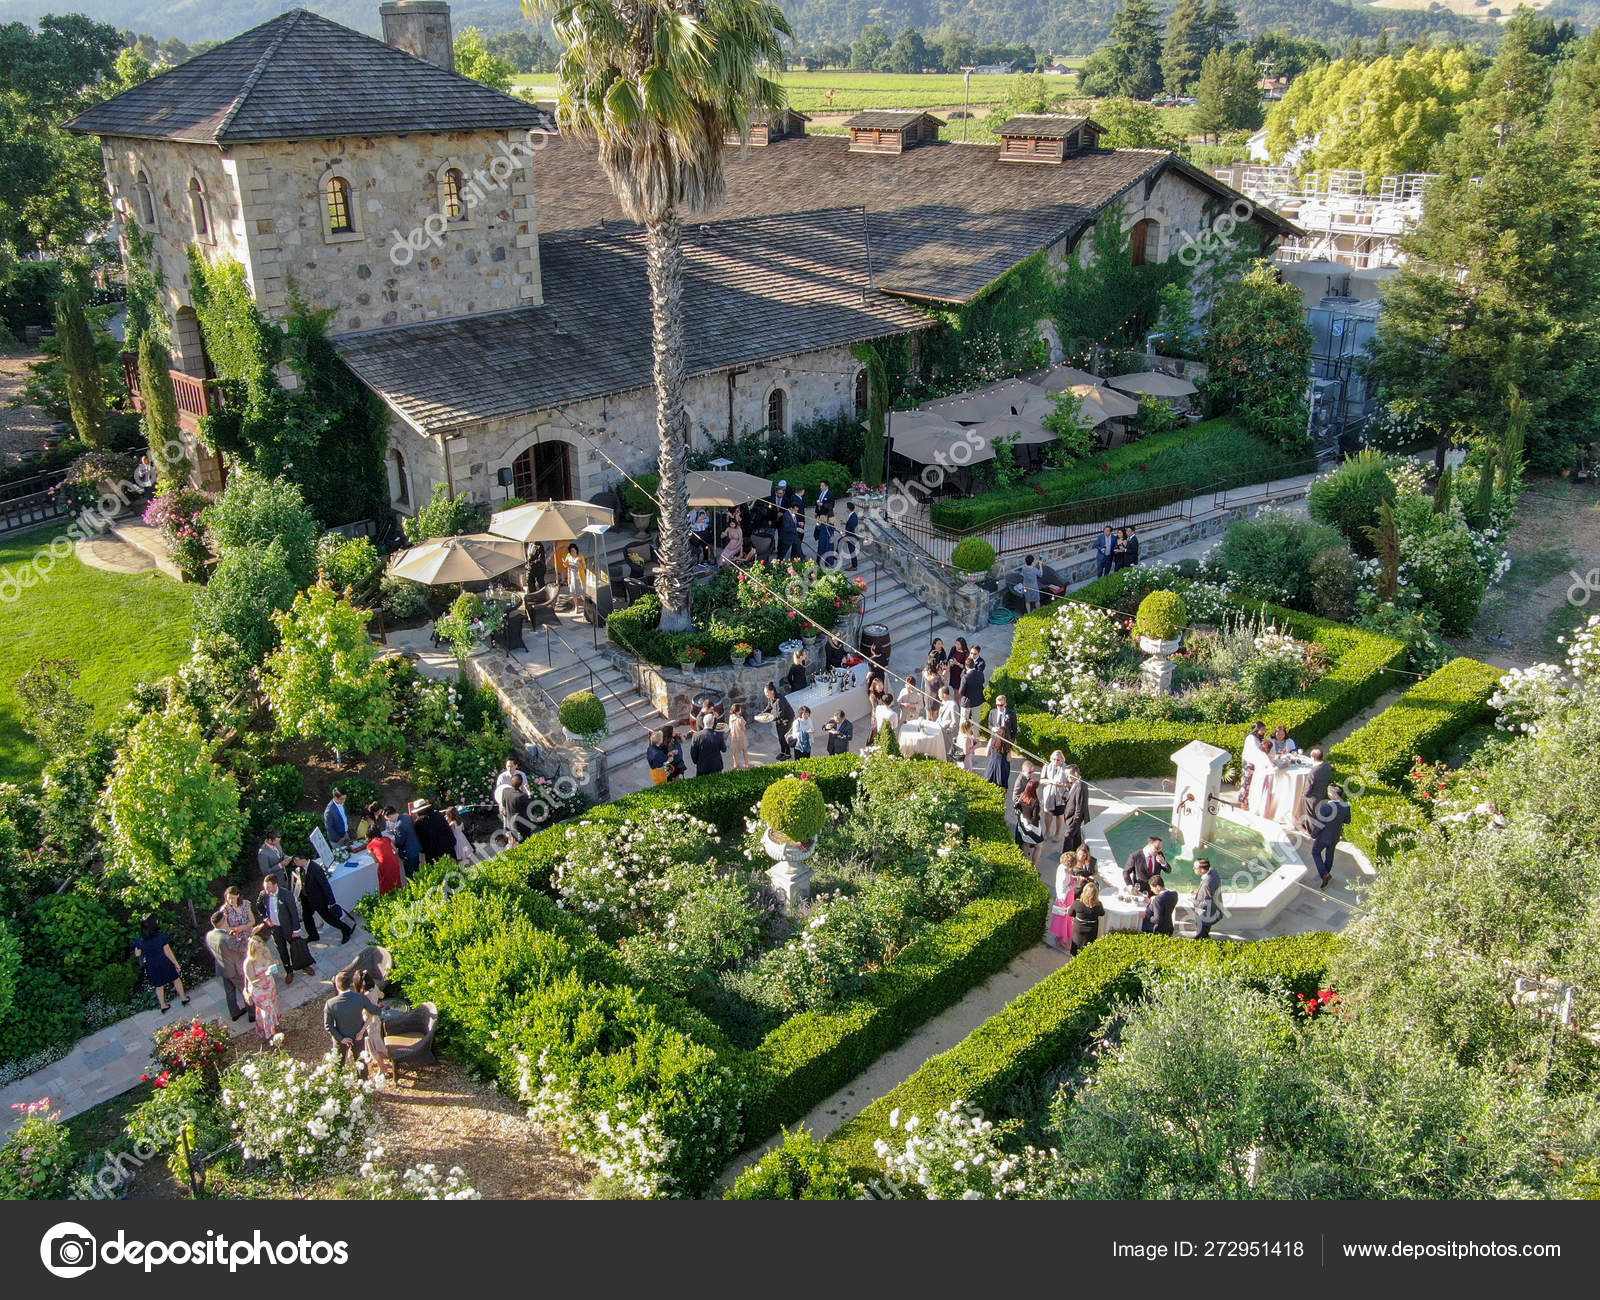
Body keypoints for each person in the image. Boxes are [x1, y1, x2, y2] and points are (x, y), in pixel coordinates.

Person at [256, 872, 310, 981]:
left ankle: (304, 965)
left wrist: (296, 930)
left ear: (275, 885)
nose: (266, 890)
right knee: (282, 950)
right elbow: (259, 907)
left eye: (268, 887)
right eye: (265, 887)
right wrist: (266, 919)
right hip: (275, 929)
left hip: (289, 927)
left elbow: (293, 913)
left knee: (296, 947)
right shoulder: (264, 895)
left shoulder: (286, 894)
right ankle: (288, 971)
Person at [324, 970, 383, 1068]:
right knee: (361, 1065)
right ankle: (363, 1081)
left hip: (340, 1037)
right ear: (350, 984)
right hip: (358, 1036)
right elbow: (376, 1011)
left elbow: (328, 1026)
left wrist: (342, 1039)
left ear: (337, 986)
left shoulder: (330, 1003)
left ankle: (338, 1081)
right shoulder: (360, 998)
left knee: (338, 1064)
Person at [294, 853, 355, 944]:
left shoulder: (316, 869)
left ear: (304, 859)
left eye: (296, 860)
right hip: (307, 898)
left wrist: (331, 901)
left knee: (329, 918)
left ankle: (346, 929)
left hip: (318, 899)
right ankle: (313, 935)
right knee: (307, 917)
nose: (295, 862)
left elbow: (325, 885)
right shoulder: (302, 868)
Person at [205, 910, 251, 1021]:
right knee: (245, 990)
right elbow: (243, 947)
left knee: (229, 992)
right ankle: (252, 1014)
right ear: (223, 921)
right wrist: (250, 937)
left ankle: (234, 1013)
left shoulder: (210, 935)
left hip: (222, 968)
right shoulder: (227, 938)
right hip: (234, 970)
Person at [135, 916, 187, 1013]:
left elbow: (137, 954)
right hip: (164, 961)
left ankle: (163, 1005)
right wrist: (176, 963)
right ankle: (183, 998)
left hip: (151, 964)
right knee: (176, 979)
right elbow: (168, 952)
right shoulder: (161, 937)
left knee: (159, 985)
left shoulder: (140, 940)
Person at [1307, 785, 1352, 889]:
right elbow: (1347, 821)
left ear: (1333, 794)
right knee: (1330, 854)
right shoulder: (1346, 807)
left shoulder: (1326, 807)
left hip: (1323, 837)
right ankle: (1325, 875)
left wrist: (1313, 835)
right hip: (1335, 836)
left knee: (1315, 852)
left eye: (1330, 791)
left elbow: (1320, 824)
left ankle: (1324, 874)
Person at [242, 935, 282, 1042]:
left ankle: (266, 1029)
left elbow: (272, 966)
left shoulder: (266, 954)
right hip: (259, 991)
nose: (261, 949)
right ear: (252, 949)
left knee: (272, 1008)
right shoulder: (249, 963)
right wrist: (265, 974)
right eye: (257, 947)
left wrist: (275, 964)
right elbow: (253, 982)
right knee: (268, 1010)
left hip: (270, 987)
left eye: (261, 945)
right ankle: (271, 1036)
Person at [1047, 854, 1078, 950]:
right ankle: (1062, 940)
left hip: (1067, 896)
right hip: (1064, 898)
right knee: (1064, 918)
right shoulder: (1064, 875)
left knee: (1064, 918)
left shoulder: (1062, 867)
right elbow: (1063, 889)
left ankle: (1061, 937)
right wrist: (1075, 885)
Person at [1069, 879, 1105, 956]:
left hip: (1079, 929)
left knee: (1076, 944)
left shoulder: (1078, 903)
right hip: (1092, 930)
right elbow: (1102, 913)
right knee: (1088, 948)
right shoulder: (1098, 905)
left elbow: (1070, 913)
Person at [1240, 720, 1270, 812]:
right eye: (1262, 729)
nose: (1264, 731)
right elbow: (1256, 751)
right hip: (1249, 763)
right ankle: (1243, 803)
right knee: (1247, 783)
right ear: (1257, 729)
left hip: (1253, 762)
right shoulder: (1251, 738)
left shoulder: (1257, 738)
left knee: (1249, 783)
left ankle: (1246, 801)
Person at [1039, 750, 1069, 841]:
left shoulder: (1066, 768)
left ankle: (1057, 833)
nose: (1056, 761)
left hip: (1060, 796)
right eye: (1054, 759)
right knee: (1048, 813)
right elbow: (1041, 781)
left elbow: (1070, 784)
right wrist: (1051, 782)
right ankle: (1047, 831)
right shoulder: (1047, 766)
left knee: (1059, 815)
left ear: (1062, 760)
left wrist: (1062, 784)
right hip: (1049, 795)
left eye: (1058, 760)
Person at [1059, 764, 1088, 855]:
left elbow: (1080, 806)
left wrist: (1075, 822)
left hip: (1075, 819)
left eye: (1069, 775)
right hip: (1073, 817)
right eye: (1066, 775)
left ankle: (1065, 858)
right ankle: (1077, 854)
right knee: (1076, 838)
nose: (1067, 778)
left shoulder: (1080, 786)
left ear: (1076, 773)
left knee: (1068, 836)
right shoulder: (1078, 782)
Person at [1014, 778, 1045, 866]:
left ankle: (1025, 863)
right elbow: (1035, 818)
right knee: (1039, 846)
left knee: (1026, 843)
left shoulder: (1023, 796)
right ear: (1035, 789)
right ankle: (1033, 866)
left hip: (1023, 824)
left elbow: (1017, 807)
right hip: (1033, 827)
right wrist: (1040, 811)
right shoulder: (1035, 802)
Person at [387, 804, 423, 877]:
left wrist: (393, 842)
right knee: (417, 871)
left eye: (388, 819)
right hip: (415, 848)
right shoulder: (406, 816)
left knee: (410, 875)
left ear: (390, 816)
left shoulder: (398, 826)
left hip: (408, 853)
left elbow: (400, 842)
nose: (390, 821)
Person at [1192, 857, 1222, 939]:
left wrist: (1193, 900)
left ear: (1202, 869)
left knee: (1201, 937)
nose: (1193, 868)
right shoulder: (1213, 872)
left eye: (1195, 867)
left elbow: (1205, 903)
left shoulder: (1206, 884)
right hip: (1213, 910)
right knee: (1204, 934)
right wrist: (1198, 891)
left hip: (1205, 916)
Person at [368, 828, 404, 895]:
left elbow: (376, 861)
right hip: (394, 861)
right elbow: (396, 851)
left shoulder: (370, 845)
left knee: (385, 884)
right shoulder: (387, 839)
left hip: (384, 865)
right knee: (397, 880)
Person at [764, 683, 795, 761]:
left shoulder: (779, 700)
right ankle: (782, 752)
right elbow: (769, 707)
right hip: (780, 719)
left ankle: (787, 754)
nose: (765, 694)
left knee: (784, 737)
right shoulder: (771, 698)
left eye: (766, 692)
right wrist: (762, 713)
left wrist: (770, 719)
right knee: (780, 737)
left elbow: (781, 714)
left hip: (787, 719)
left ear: (772, 691)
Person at [958, 646, 986, 725]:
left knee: (965, 720)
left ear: (978, 653)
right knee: (974, 720)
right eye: (971, 653)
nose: (972, 655)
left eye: (974, 654)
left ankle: (966, 735)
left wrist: (964, 676)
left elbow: (961, 692)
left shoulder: (981, 663)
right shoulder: (969, 661)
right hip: (976, 697)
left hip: (969, 697)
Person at [1304, 745, 1333, 809]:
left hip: (1313, 799)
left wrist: (1303, 795)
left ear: (1313, 758)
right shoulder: (1328, 765)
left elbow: (1307, 790)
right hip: (1323, 793)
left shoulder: (1313, 772)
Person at [935, 686, 959, 757]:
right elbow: (940, 716)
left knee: (948, 752)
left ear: (944, 695)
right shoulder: (943, 702)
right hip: (940, 729)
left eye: (939, 693)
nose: (938, 695)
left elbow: (955, 721)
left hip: (948, 733)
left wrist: (949, 730)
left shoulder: (953, 705)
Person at [727, 702, 751, 769]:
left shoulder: (731, 717)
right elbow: (744, 729)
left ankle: (736, 764)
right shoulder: (741, 719)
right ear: (738, 710)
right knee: (745, 751)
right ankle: (747, 764)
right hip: (741, 736)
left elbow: (729, 726)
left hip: (733, 736)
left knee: (735, 752)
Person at [842, 500, 860, 571]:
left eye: (846, 508)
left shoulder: (853, 516)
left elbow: (852, 527)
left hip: (851, 537)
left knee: (852, 551)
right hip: (851, 536)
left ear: (848, 509)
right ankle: (854, 564)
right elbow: (851, 524)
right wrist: (845, 524)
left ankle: (854, 566)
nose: (846, 509)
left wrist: (845, 534)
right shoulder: (853, 515)